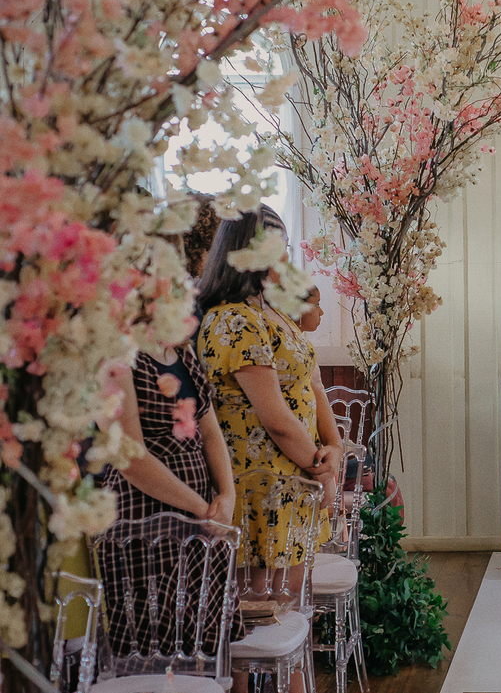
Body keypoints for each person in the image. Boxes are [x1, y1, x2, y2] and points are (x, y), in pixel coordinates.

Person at [196, 205, 340, 583]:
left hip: (293, 478)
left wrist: (334, 448)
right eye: (282, 249)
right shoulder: (234, 319)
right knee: (269, 605)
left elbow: (311, 383)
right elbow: (276, 420)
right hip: (262, 486)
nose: (287, 260)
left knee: (293, 606)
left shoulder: (269, 311)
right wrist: (321, 469)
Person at [96, 340, 243, 656]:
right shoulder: (117, 356)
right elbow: (130, 457)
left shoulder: (182, 352)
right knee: (159, 647)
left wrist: (227, 494)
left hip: (200, 518)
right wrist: (200, 508)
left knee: (207, 645)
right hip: (147, 518)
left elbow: (211, 433)